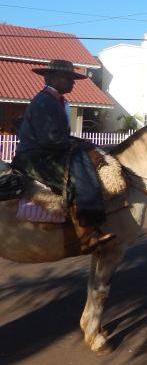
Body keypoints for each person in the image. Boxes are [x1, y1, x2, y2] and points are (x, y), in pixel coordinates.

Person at [12, 59, 115, 254]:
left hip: (46, 153)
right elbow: (50, 140)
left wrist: (82, 142)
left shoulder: (56, 101)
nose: (72, 81)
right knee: (78, 178)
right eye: (67, 77)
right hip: (35, 158)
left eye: (72, 77)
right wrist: (79, 145)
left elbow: (60, 136)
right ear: (51, 78)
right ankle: (85, 237)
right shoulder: (44, 102)